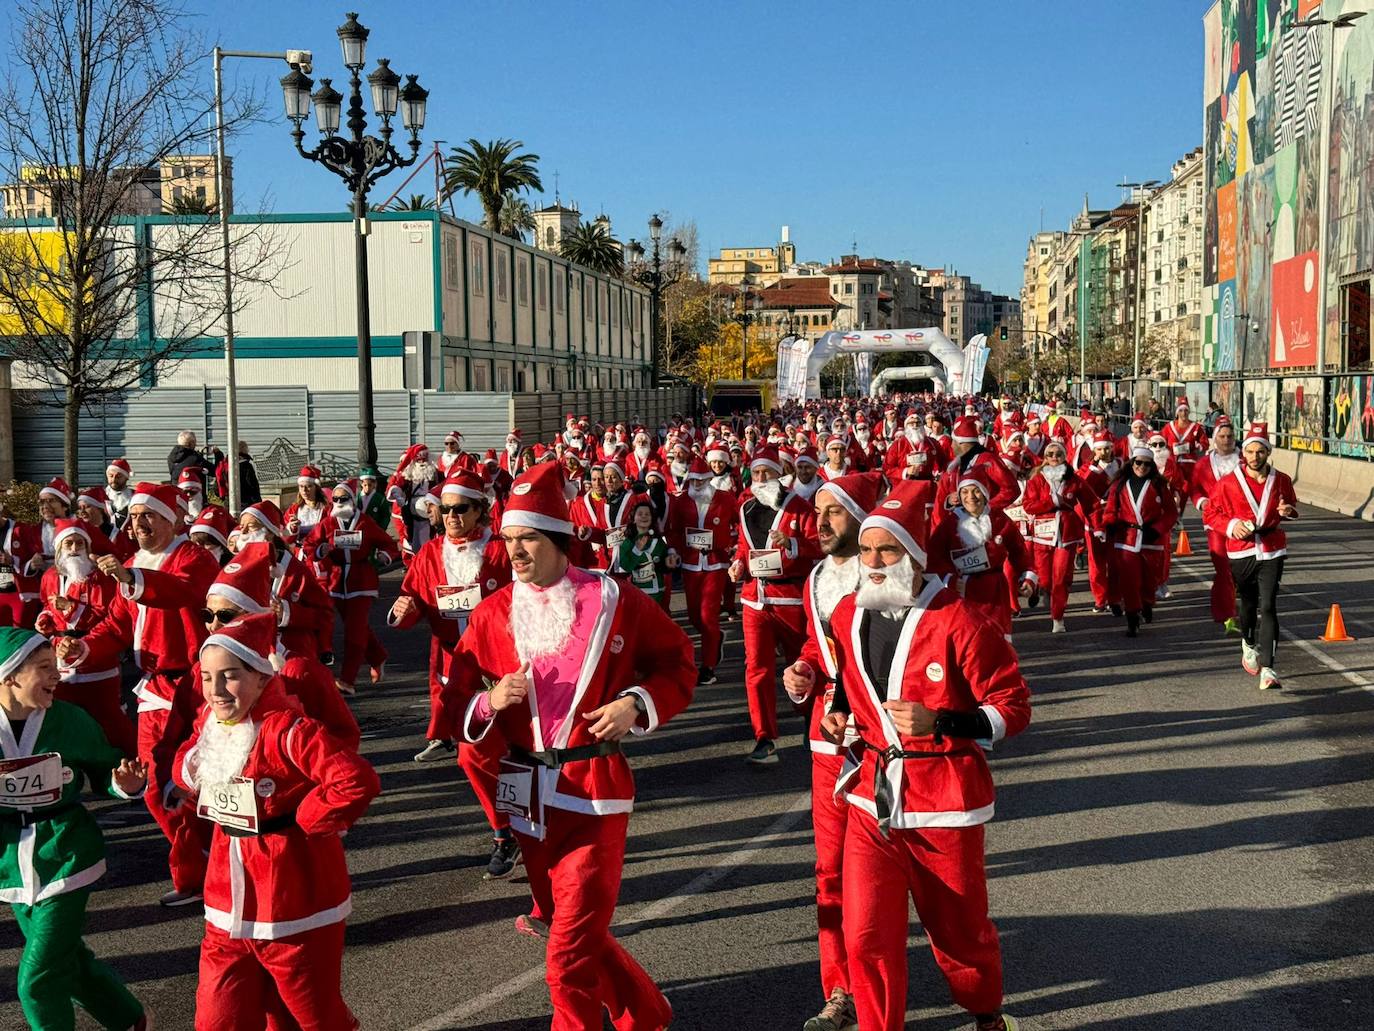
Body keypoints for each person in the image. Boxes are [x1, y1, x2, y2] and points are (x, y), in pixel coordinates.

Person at [448, 460, 694, 1030]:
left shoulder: (613, 599)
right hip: (527, 794)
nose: (513, 552)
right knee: (570, 929)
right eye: (508, 539)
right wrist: (488, 704)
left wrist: (636, 702)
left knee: (564, 956)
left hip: (593, 793)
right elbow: (453, 702)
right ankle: (646, 1013)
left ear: (558, 538)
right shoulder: (492, 613)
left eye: (527, 538)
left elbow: (676, 659)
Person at [824, 490, 1029, 1031]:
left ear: (915, 557)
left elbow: (1014, 707)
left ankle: (986, 1012)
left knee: (959, 938)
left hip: (944, 802)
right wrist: (833, 707)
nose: (871, 563)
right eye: (866, 551)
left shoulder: (960, 621)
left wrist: (941, 722)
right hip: (873, 795)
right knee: (864, 934)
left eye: (886, 552)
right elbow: (847, 683)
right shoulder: (847, 614)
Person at [174, 614, 380, 1031]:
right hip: (225, 900)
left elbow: (355, 780)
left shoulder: (288, 729)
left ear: (261, 678)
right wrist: (190, 772)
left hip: (292, 897)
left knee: (315, 1019)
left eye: (230, 676)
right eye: (208, 677)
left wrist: (308, 817)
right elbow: (185, 763)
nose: (215, 690)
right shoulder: (211, 725)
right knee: (217, 1019)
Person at [58, 481, 220, 906]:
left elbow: (181, 591)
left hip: (195, 684)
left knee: (191, 785)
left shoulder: (193, 557)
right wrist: (84, 647)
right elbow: (116, 625)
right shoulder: (133, 562)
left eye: (147, 515)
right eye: (132, 516)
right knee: (155, 785)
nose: (138, 523)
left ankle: (205, 870)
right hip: (154, 688)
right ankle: (201, 868)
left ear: (170, 519)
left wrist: (131, 577)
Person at [0, 627, 151, 1031]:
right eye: (45, 669)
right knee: (66, 958)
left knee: (37, 980)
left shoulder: (70, 719)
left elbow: (105, 771)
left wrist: (124, 784)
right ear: (9, 676)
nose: (58, 676)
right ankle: (130, 1019)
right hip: (10, 861)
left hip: (66, 852)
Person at [781, 472, 883, 1031]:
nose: (819, 523)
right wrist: (802, 670)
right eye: (816, 512)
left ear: (862, 516)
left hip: (882, 746)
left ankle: (897, 984)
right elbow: (816, 648)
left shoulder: (892, 576)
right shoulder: (816, 577)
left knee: (888, 881)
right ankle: (841, 992)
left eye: (834, 513)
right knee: (829, 872)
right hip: (826, 742)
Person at [730, 446, 822, 764]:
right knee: (757, 668)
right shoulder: (746, 509)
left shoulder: (801, 508)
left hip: (791, 600)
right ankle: (764, 737)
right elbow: (744, 549)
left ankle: (811, 715)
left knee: (800, 664)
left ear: (780, 474)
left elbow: (820, 547)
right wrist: (738, 565)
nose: (760, 479)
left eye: (766, 473)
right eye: (755, 473)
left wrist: (793, 543)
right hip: (755, 600)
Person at [1202, 422, 1299, 690]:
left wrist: (1287, 511)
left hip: (1272, 548)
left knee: (1268, 605)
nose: (1255, 457)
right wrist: (1232, 526)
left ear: (1268, 453)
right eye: (1250, 452)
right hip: (1241, 550)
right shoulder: (1227, 483)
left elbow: (1291, 505)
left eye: (1261, 452)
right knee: (1248, 601)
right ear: (1243, 452)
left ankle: (1268, 668)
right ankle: (1247, 642)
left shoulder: (1281, 480)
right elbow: (1211, 513)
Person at [36, 518, 136, 755]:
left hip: (96, 655)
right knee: (63, 715)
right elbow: (46, 606)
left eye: (79, 544)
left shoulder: (99, 578)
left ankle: (126, 762)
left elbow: (105, 615)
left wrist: (69, 608)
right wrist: (45, 620)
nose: (73, 549)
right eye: (68, 544)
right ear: (59, 547)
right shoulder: (50, 576)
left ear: (87, 547)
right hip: (60, 654)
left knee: (107, 717)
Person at [303, 479, 400, 695]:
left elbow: (388, 543)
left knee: (354, 630)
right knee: (359, 627)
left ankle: (348, 680)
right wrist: (321, 551)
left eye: (343, 498)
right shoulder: (328, 524)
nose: (338, 502)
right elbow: (309, 544)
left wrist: (384, 555)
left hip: (361, 581)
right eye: (335, 499)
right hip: (337, 581)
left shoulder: (365, 523)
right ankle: (378, 656)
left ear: (351, 500)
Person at [926, 468, 1036, 636]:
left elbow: (1019, 551)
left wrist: (1027, 578)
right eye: (965, 492)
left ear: (985, 494)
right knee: (968, 641)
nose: (971, 497)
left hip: (995, 592)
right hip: (962, 592)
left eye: (976, 491)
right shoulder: (949, 524)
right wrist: (949, 579)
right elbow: (933, 558)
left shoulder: (999, 520)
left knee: (998, 640)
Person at [665, 457, 738, 685]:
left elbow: (739, 523)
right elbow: (674, 530)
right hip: (690, 564)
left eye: (702, 480)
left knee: (708, 616)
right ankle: (715, 638)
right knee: (694, 616)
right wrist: (674, 551)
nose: (698, 484)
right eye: (694, 480)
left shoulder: (725, 499)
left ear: (709, 479)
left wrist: (732, 545)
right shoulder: (681, 501)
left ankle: (708, 667)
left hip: (716, 563)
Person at [1020, 440, 1099, 633]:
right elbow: (1028, 505)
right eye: (1050, 455)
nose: (1054, 458)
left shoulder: (1074, 479)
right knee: (1046, 579)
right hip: (1042, 536)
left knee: (1061, 578)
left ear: (1065, 457)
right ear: (1045, 459)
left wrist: (1097, 527)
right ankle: (1043, 590)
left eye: (1058, 454)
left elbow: (1092, 503)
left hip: (1067, 535)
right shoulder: (1036, 480)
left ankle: (1058, 617)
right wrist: (1051, 501)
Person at [1102, 446, 1179, 636]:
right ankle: (1132, 617)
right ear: (1132, 462)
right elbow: (1110, 509)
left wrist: (1157, 529)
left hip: (1151, 538)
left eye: (1146, 463)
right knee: (1129, 581)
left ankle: (1147, 603)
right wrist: (1109, 524)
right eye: (1138, 462)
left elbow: (1170, 513)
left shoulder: (1159, 485)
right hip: (1126, 538)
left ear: (1151, 465)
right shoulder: (1120, 484)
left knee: (1148, 580)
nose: (1142, 467)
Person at [1189, 417, 1241, 632]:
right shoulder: (1203, 464)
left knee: (1238, 569)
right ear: (1215, 439)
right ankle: (1227, 613)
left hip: (1241, 522)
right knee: (1223, 567)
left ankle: (1233, 603)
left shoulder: (1244, 461)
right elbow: (1194, 489)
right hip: (1215, 522)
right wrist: (1202, 502)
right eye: (1222, 436)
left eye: (1229, 436)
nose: (1226, 440)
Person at [616, 500, 672, 609]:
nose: (644, 517)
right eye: (640, 514)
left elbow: (665, 566)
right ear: (634, 519)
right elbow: (625, 566)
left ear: (652, 518)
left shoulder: (658, 541)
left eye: (647, 514)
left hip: (657, 592)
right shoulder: (628, 542)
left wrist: (669, 563)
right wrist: (636, 550)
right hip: (637, 592)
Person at [104, 458, 134, 531]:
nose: (114, 480)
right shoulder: (100, 495)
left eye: (118, 477)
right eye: (111, 476)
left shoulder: (135, 496)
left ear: (126, 478)